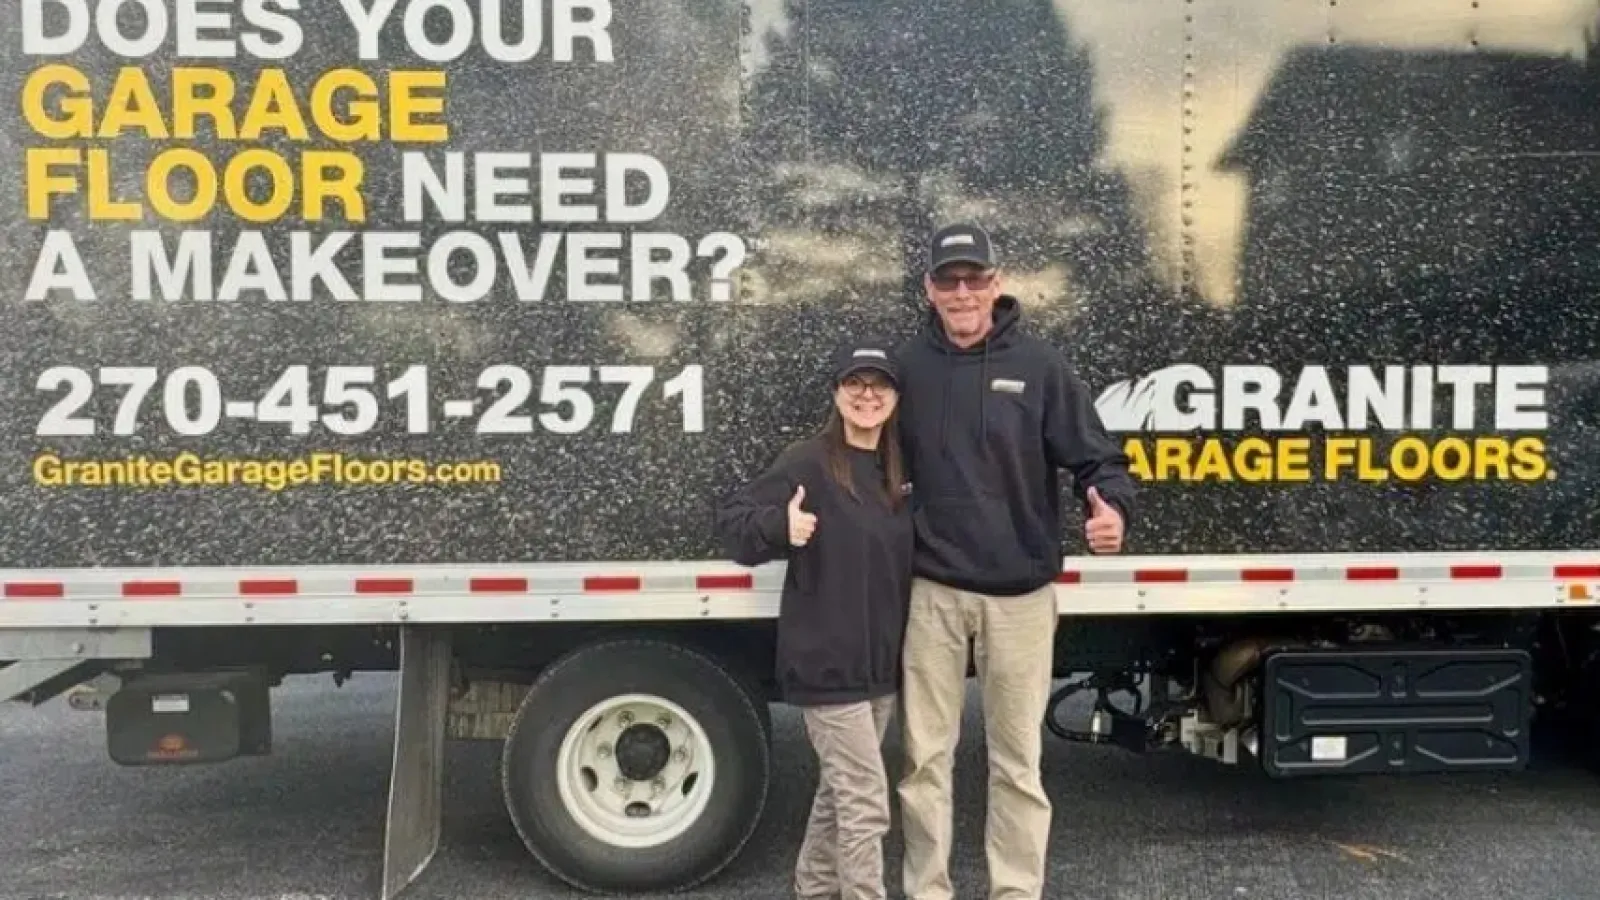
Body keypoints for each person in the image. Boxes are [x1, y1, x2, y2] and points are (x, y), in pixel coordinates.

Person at [892, 222, 1136, 900]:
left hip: (1021, 598)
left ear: (997, 284)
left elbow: (1098, 459)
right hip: (930, 593)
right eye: (949, 280)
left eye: (976, 278)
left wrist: (1110, 506)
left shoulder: (1040, 367)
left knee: (1017, 764)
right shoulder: (906, 369)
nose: (963, 292)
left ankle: (1015, 892)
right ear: (929, 289)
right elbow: (857, 452)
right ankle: (928, 890)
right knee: (923, 763)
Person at [714, 341, 915, 900]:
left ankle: (814, 888)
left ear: (896, 397)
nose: (867, 395)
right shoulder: (808, 461)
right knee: (866, 802)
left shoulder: (898, 471)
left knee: (839, 791)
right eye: (855, 383)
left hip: (879, 668)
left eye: (879, 385)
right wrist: (781, 526)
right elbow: (734, 524)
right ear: (836, 393)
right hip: (826, 664)